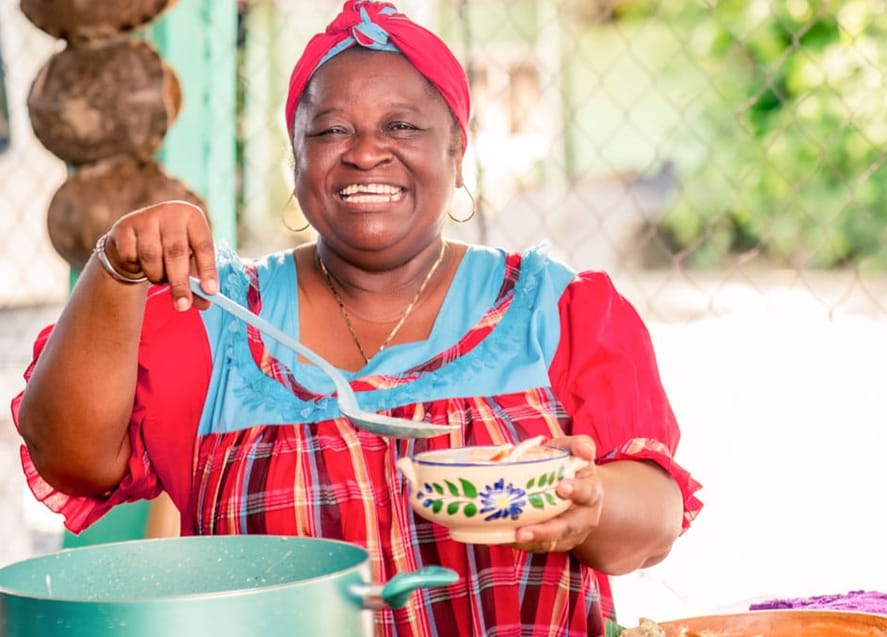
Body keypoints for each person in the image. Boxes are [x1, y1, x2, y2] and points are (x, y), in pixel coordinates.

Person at [12, 1, 702, 634]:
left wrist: (590, 504)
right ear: (297, 161)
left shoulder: (556, 311)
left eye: (402, 126)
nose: (366, 151)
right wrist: (114, 268)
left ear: (457, 156)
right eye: (331, 129)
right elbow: (72, 461)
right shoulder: (212, 318)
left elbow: (656, 519)